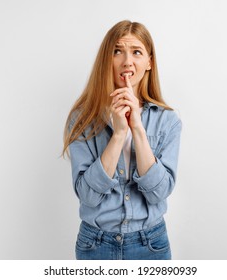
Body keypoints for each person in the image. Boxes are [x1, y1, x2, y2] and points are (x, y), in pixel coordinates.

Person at [62, 20, 182, 260]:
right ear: (107, 59)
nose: (127, 61)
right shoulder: (82, 118)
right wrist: (118, 135)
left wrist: (136, 128)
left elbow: (159, 193)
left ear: (149, 62)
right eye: (118, 51)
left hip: (151, 244)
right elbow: (87, 195)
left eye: (136, 52)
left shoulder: (167, 121)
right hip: (96, 244)